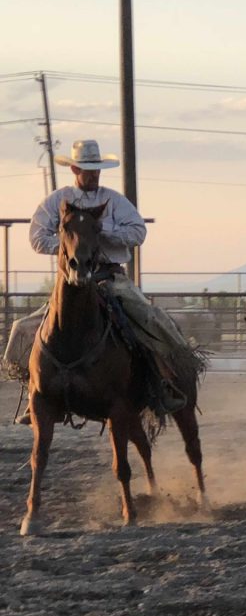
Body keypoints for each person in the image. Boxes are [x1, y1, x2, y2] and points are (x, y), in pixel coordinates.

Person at [3, 139, 192, 421]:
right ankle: (37, 390)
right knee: (22, 328)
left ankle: (164, 382)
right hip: (70, 281)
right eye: (87, 169)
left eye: (97, 169)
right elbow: (37, 238)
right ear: (75, 169)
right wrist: (73, 247)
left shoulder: (115, 200)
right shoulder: (57, 201)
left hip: (110, 277)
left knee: (150, 320)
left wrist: (102, 236)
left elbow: (138, 232)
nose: (93, 175)